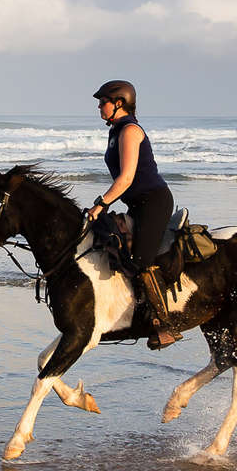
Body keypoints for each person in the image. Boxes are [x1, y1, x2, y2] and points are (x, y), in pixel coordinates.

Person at [83, 80, 181, 349]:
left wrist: (101, 204)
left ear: (119, 103)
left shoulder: (130, 131)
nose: (99, 107)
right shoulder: (115, 131)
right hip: (137, 204)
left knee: (141, 260)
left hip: (154, 203)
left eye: (103, 102)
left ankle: (163, 324)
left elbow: (126, 178)